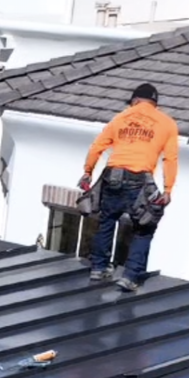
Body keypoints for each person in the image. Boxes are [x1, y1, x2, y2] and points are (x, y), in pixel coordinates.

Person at [78, 84, 179, 293]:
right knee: (144, 227)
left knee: (106, 221)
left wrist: (88, 172)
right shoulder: (167, 124)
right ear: (154, 104)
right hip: (140, 180)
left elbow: (97, 147)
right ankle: (130, 277)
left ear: (134, 101)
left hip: (112, 175)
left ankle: (99, 268)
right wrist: (168, 189)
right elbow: (170, 158)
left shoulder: (121, 118)